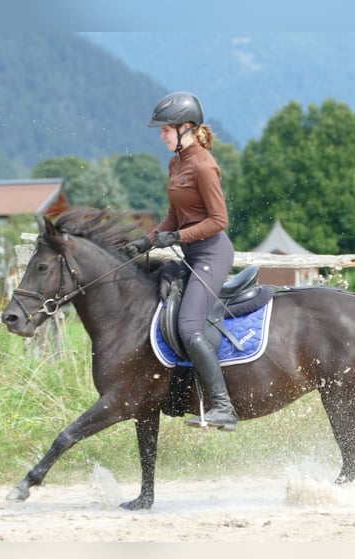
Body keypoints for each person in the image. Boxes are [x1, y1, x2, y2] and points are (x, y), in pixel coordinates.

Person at [125, 91, 238, 431]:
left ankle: (223, 407)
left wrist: (179, 237)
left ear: (185, 127)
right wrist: (149, 240)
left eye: (165, 130)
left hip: (212, 253)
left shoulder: (203, 164)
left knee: (189, 326)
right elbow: (175, 216)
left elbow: (219, 220)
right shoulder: (176, 163)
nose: (161, 135)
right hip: (191, 251)